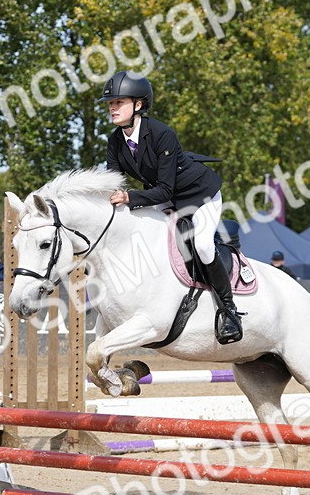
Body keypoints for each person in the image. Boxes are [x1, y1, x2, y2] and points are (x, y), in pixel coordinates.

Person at [99, 70, 243, 344]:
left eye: (119, 102)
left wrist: (129, 198)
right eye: (110, 103)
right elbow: (112, 181)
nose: (112, 108)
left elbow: (164, 189)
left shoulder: (162, 134)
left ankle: (229, 311)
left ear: (138, 105)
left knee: (201, 244)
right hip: (165, 196)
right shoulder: (115, 141)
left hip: (200, 195)